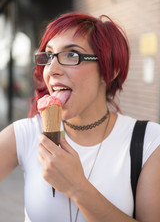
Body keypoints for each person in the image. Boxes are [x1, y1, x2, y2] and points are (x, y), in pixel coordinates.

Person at [0, 12, 160, 222]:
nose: (52, 70)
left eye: (72, 55)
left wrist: (77, 186)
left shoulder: (148, 142)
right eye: (48, 56)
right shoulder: (25, 134)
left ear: (110, 70)